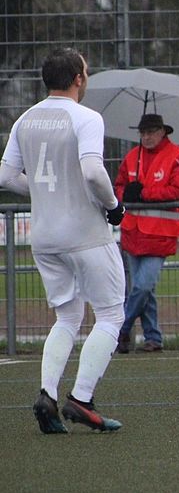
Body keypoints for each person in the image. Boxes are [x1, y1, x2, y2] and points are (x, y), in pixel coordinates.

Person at [0, 47, 126, 433]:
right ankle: (82, 399)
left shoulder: (25, 119)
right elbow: (93, 172)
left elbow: (5, 176)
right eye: (86, 72)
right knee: (111, 314)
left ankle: (47, 395)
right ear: (78, 79)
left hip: (44, 236)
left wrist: (45, 194)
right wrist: (113, 206)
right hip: (84, 233)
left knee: (67, 317)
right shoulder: (86, 117)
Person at [114, 114, 179, 353]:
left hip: (160, 233)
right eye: (143, 133)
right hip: (133, 231)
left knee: (143, 286)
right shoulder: (132, 157)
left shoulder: (177, 156)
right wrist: (125, 194)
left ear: (162, 132)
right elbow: (119, 186)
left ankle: (120, 329)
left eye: (150, 132)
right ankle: (153, 337)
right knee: (144, 289)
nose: (146, 137)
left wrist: (143, 193)